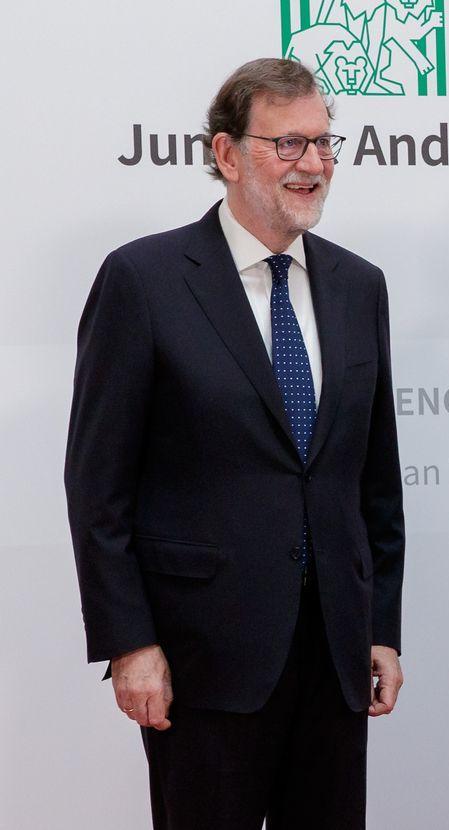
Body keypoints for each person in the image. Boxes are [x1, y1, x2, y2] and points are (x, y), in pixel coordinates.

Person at [64, 57, 405, 830]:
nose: (313, 164)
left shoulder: (360, 285)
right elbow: (98, 486)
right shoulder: (144, 279)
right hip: (202, 660)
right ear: (226, 154)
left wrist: (381, 629)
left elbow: (374, 482)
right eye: (288, 145)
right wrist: (130, 643)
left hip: (335, 658)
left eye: (323, 143)